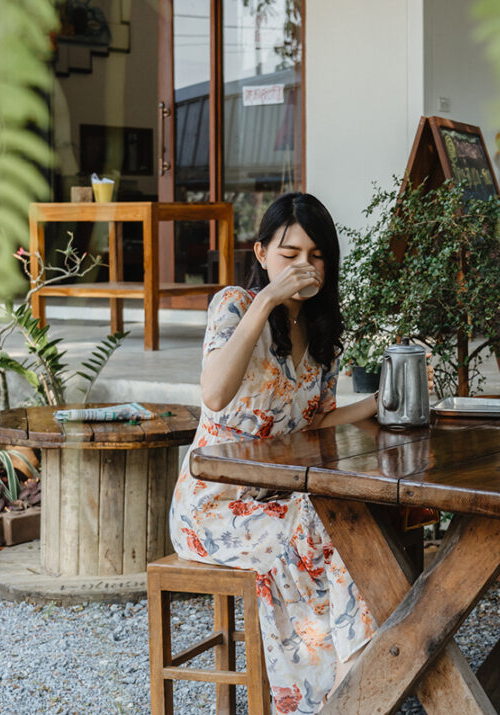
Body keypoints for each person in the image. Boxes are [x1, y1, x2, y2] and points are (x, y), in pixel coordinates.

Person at [169, 192, 379, 714]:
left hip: (279, 497)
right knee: (323, 524)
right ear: (262, 254)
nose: (304, 266)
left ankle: (352, 680)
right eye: (290, 254)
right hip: (214, 504)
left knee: (350, 514)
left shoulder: (324, 333)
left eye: (316, 256)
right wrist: (266, 301)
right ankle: (341, 691)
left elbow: (316, 423)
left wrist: (377, 403)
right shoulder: (235, 305)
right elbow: (214, 394)